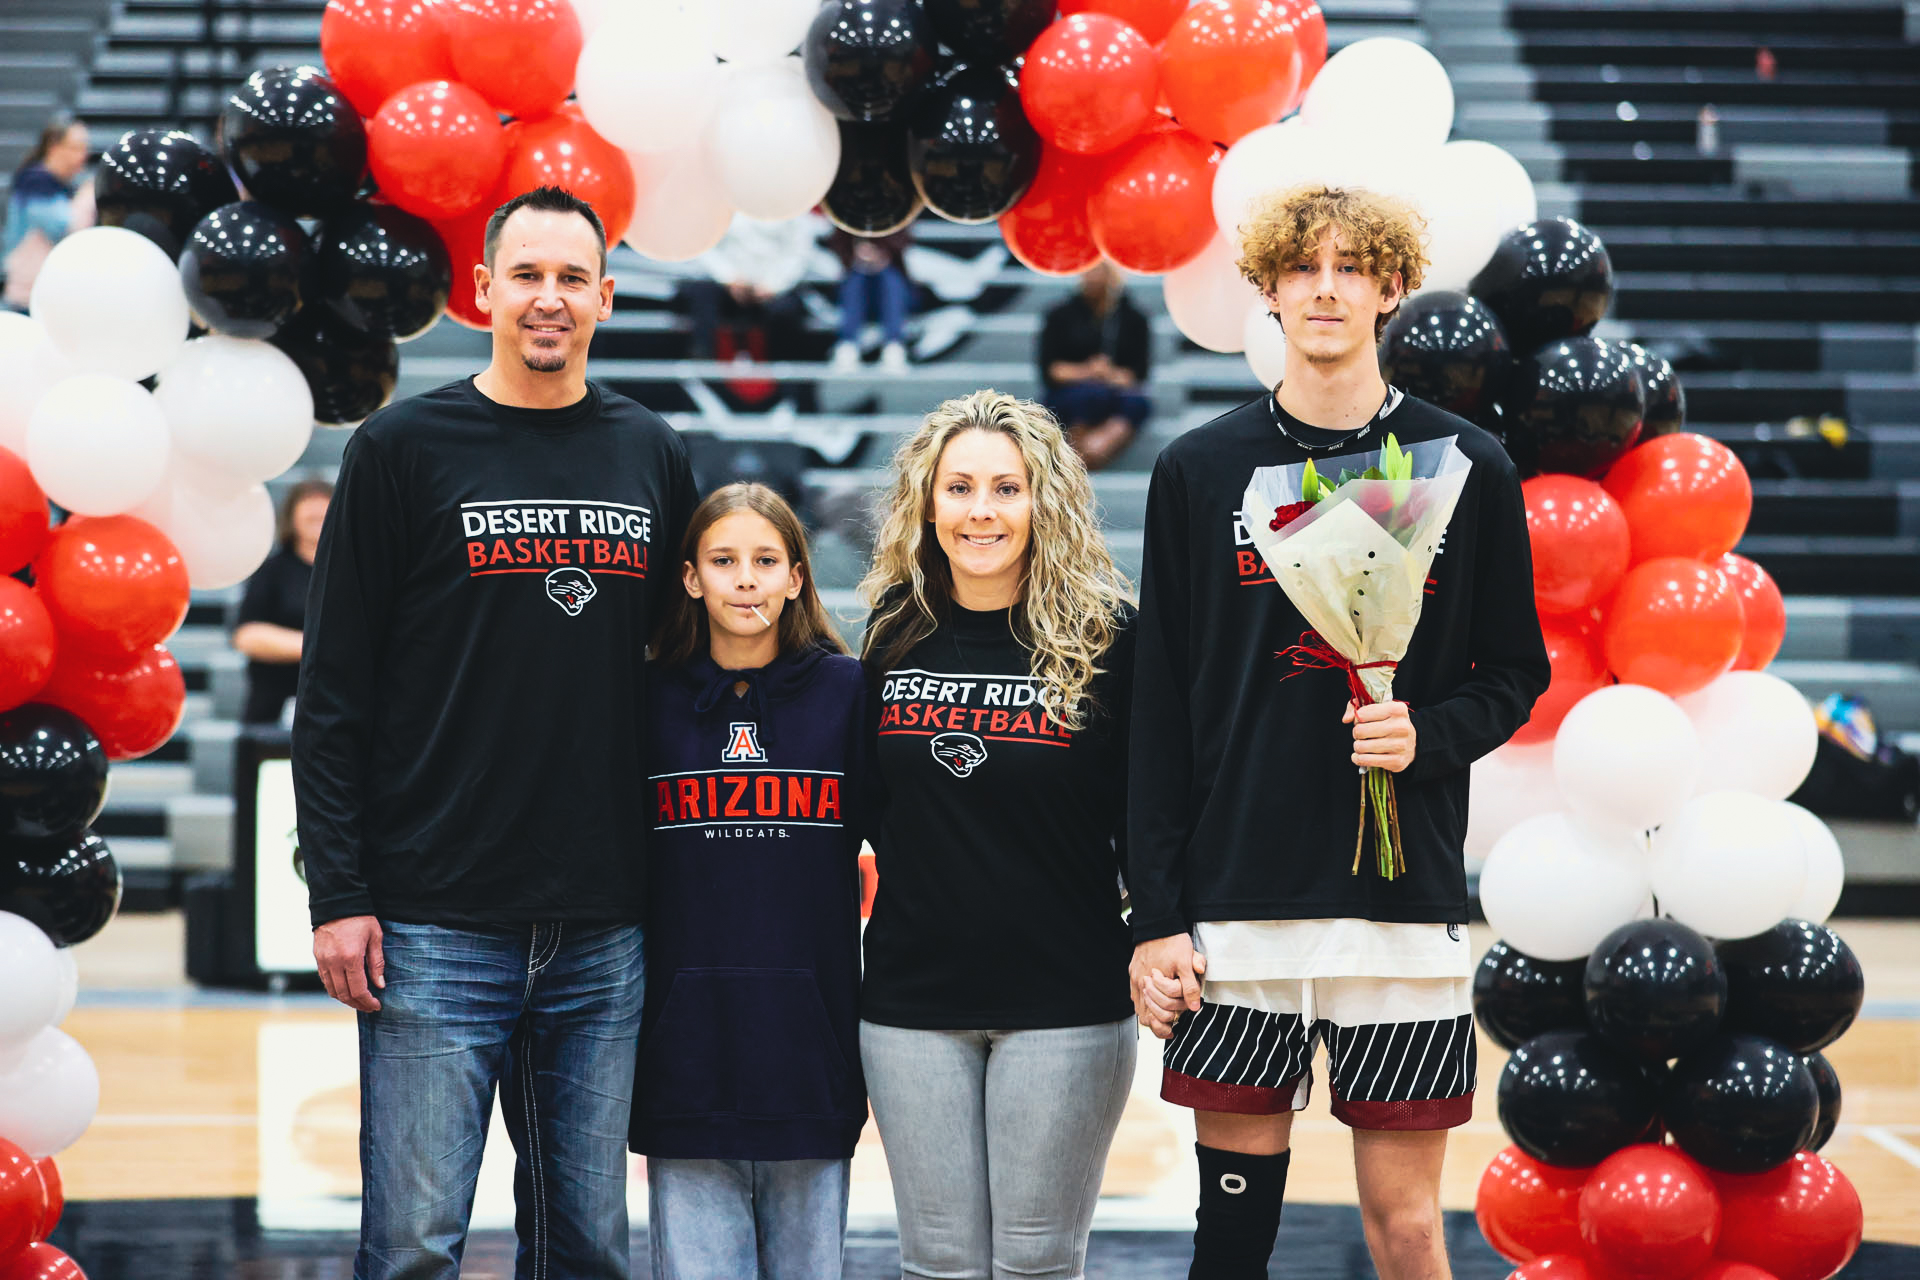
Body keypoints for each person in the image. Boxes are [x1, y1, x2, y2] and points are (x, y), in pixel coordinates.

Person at [1126, 185, 1549, 1280]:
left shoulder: (1467, 465)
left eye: (1353, 266)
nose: (1327, 288)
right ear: (1263, 288)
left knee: (1407, 1231)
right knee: (1231, 1240)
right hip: (1237, 913)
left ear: (1393, 287)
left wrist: (1431, 733)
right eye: (1303, 268)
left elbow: (1516, 671)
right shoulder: (1199, 467)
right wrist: (1156, 913)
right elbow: (1160, 706)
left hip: (1400, 917)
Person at [294, 185, 696, 1280]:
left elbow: (693, 677)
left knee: (589, 1248)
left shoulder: (651, 452)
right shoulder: (400, 447)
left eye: (572, 278)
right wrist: (339, 891)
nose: (549, 299)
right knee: (416, 1245)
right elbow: (333, 693)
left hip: (605, 924)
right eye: (527, 274)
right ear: (482, 292)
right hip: (433, 919)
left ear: (606, 298)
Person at [857, 389, 1137, 1280]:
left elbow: (1155, 813)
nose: (981, 511)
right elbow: (859, 806)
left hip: (1065, 1003)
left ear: (1042, 501)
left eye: (1007, 489)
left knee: (1037, 1265)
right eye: (961, 487)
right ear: (927, 502)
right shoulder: (890, 636)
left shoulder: (1109, 639)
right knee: (934, 1263)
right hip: (911, 1005)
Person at [632, 482, 868, 1280]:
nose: (745, 579)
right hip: (686, 1058)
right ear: (691, 578)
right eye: (723, 561)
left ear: (798, 577)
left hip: (810, 1058)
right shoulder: (646, 698)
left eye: (766, 561)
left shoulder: (847, 693)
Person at [232, 478, 332, 726]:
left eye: (324, 503)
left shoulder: (356, 571)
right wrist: (319, 647)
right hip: (274, 706)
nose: (316, 511)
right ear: (292, 514)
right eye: (308, 502)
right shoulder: (272, 571)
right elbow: (247, 635)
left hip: (338, 706)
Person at [1038, 261, 1151, 472]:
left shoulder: (1133, 318)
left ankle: (1088, 453)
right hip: (1074, 395)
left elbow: (1138, 374)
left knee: (1136, 404)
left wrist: (1108, 373)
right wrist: (1088, 371)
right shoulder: (1060, 315)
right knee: (1087, 397)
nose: (1094, 277)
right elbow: (1051, 370)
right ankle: (1082, 454)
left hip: (1115, 394)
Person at [3, 114, 92, 310]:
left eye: (85, 149)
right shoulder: (35, 182)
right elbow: (64, 229)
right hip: (27, 299)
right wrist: (88, 195)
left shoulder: (63, 186)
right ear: (54, 146)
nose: (83, 156)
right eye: (76, 148)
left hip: (46, 295)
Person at [827, 227, 911, 373]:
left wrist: (881, 253)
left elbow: (905, 239)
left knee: (891, 281)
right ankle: (848, 346)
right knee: (855, 281)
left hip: (891, 277)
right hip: (856, 275)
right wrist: (855, 254)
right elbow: (837, 241)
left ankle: (893, 346)